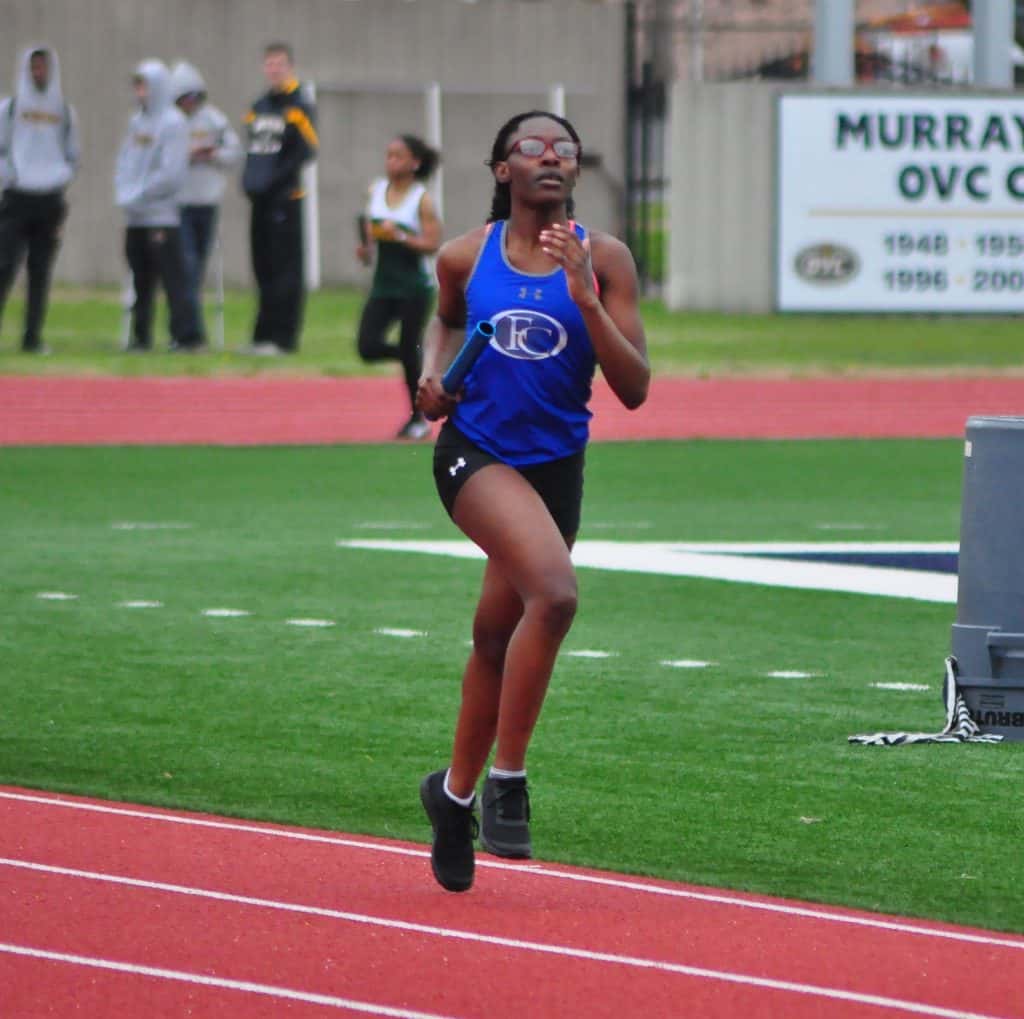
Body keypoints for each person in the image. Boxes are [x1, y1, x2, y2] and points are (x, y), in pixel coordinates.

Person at [415, 111, 649, 892]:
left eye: (564, 150)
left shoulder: (605, 259)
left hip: (556, 470)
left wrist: (587, 298)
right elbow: (446, 325)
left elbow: (635, 387)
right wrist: (432, 380)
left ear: (576, 171)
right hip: (475, 455)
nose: (551, 157)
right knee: (554, 594)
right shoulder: (464, 255)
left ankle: (451, 798)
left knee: (494, 637)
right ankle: (506, 780)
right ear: (501, 169)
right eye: (532, 148)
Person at [355, 135, 442, 440]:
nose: (391, 162)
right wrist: (366, 249)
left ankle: (418, 420)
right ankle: (422, 361)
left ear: (414, 163)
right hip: (384, 285)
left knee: (408, 347)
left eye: (398, 156)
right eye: (388, 155)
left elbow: (433, 243)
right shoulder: (376, 191)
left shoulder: (421, 199)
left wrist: (402, 237)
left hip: (414, 286)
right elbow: (370, 234)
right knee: (367, 346)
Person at [114, 59, 202, 352]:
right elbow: (126, 161)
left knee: (173, 280)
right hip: (136, 216)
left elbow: (171, 173)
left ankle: (185, 336)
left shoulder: (173, 123)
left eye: (144, 86)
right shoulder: (136, 122)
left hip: (162, 217)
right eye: (137, 86)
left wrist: (141, 193)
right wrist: (125, 191)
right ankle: (141, 337)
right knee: (141, 281)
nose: (140, 92)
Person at [0, 45, 79, 354]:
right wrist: (13, 178)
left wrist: (58, 177)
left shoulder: (64, 111)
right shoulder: (10, 108)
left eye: (43, 67)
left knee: (40, 271)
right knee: (5, 265)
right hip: (17, 197)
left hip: (49, 200)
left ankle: (32, 337)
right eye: (34, 67)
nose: (39, 73)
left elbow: (72, 154)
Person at [241, 42, 317, 356]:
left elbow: (306, 150)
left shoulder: (299, 104)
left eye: (279, 64)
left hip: (285, 200)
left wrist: (275, 182)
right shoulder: (259, 106)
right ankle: (262, 335)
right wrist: (250, 182)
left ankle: (283, 338)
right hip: (260, 200)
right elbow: (253, 150)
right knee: (263, 268)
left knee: (286, 269)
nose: (274, 69)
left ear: (290, 66)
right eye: (269, 64)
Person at [169, 61, 242, 347]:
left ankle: (185, 329)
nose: (189, 102)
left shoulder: (214, 120)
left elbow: (234, 152)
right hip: (179, 206)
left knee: (197, 269)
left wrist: (213, 155)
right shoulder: (171, 123)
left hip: (207, 203)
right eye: (183, 97)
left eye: (193, 96)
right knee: (185, 266)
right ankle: (190, 334)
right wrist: (184, 156)